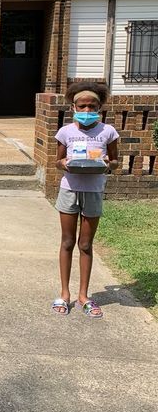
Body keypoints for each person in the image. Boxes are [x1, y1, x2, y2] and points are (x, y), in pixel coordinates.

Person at [52, 81, 120, 318]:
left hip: (93, 191)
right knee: (67, 242)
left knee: (86, 245)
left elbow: (115, 161)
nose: (87, 110)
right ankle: (64, 293)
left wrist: (106, 165)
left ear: (100, 107)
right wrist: (65, 164)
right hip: (69, 189)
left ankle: (84, 295)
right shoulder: (65, 132)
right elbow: (57, 161)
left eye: (92, 106)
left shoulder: (108, 132)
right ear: (73, 106)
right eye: (82, 106)